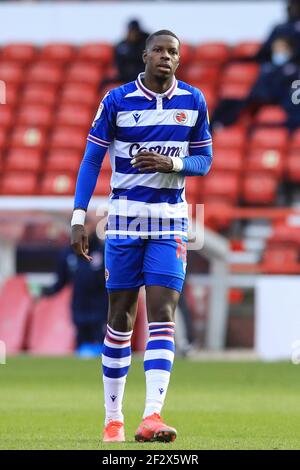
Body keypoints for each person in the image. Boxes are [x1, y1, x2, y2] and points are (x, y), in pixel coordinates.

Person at [71, 30, 212, 443]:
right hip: (125, 222)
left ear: (179, 60)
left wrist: (172, 163)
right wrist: (79, 216)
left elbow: (205, 160)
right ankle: (112, 416)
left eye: (173, 52)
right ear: (145, 55)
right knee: (121, 318)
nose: (165, 57)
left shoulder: (193, 101)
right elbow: (92, 158)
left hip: (170, 223)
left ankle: (152, 415)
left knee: (163, 313)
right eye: (159, 50)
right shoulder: (116, 100)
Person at [43, 218, 108, 357]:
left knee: (101, 343)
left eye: (84, 225)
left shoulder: (103, 251)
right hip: (79, 306)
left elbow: (111, 279)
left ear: (91, 226)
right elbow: (60, 282)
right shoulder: (67, 253)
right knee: (82, 346)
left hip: (100, 306)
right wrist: (43, 292)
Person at [212, 36, 300, 130]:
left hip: (283, 98)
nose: (278, 51)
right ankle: (215, 126)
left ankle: (290, 133)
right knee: (228, 102)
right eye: (276, 48)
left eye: (281, 48)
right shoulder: (267, 66)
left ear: (289, 50)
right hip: (260, 97)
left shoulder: (294, 69)